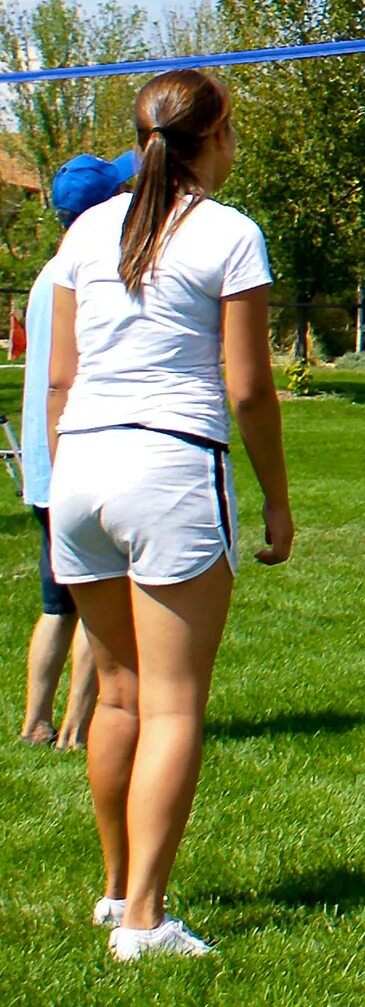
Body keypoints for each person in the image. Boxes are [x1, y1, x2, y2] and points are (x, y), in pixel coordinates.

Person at [47, 68, 293, 960]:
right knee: (175, 703)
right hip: (170, 465)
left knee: (118, 694)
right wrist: (276, 496)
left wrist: (59, 478)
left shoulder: (83, 232)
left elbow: (62, 377)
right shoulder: (228, 233)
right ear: (216, 136)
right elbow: (249, 387)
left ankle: (116, 892)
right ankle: (147, 919)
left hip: (79, 466)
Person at [17, 152, 135, 749]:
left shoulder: (45, 278)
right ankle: (77, 729)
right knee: (101, 601)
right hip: (80, 455)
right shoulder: (90, 273)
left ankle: (34, 721)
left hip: (43, 467)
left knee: (56, 603)